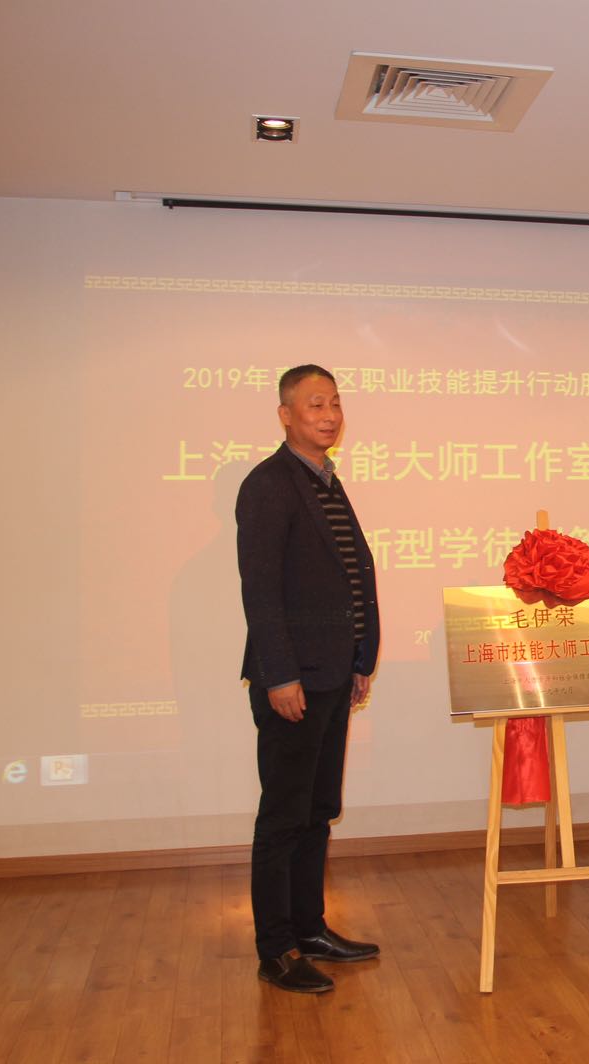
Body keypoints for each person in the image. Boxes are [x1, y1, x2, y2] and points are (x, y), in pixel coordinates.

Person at [236, 364, 382, 993]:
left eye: (335, 404)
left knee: (318, 810)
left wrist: (357, 660)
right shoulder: (269, 485)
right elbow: (262, 592)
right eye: (315, 404)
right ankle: (275, 950)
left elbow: (345, 576)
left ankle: (310, 928)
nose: (329, 415)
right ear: (285, 415)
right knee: (283, 815)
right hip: (293, 680)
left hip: (331, 673)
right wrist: (280, 675)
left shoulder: (325, 479)